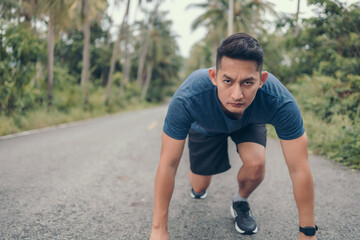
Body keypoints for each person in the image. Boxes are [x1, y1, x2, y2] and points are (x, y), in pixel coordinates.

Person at [150, 32, 317, 240]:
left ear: (262, 80)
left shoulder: (279, 101)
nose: (237, 95)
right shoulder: (188, 98)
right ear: (214, 76)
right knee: (199, 186)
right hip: (206, 126)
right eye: (228, 81)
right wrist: (158, 230)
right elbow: (168, 164)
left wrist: (308, 234)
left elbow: (299, 168)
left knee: (256, 165)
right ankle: (199, 185)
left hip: (248, 123)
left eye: (248, 82)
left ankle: (240, 201)